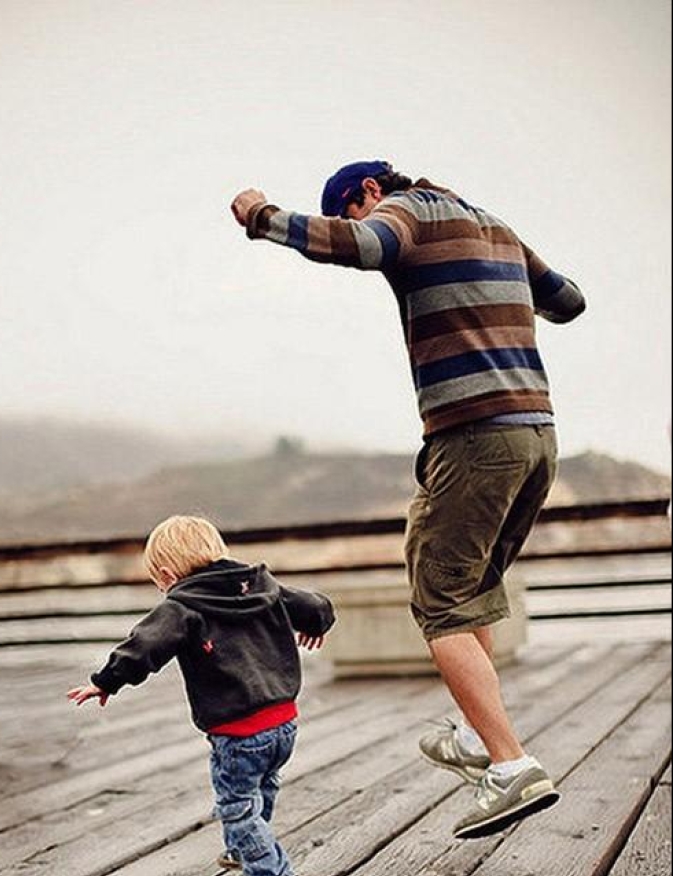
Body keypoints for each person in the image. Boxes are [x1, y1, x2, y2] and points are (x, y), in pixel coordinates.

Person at [231, 161, 586, 839]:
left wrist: (262, 218)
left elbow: (364, 245)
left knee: (440, 604)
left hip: (474, 437)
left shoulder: (408, 214)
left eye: (352, 210)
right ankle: (475, 733)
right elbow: (567, 300)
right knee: (472, 588)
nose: (358, 222)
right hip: (536, 435)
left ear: (367, 194)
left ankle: (511, 765)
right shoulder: (495, 227)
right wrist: (502, 285)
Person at [67, 514, 335, 876]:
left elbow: (144, 646)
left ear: (169, 574)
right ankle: (240, 847)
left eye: (159, 581)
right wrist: (317, 624)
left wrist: (105, 682)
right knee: (262, 787)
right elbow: (315, 605)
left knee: (235, 806)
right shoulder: (262, 584)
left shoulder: (182, 604)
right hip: (284, 723)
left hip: (239, 731)